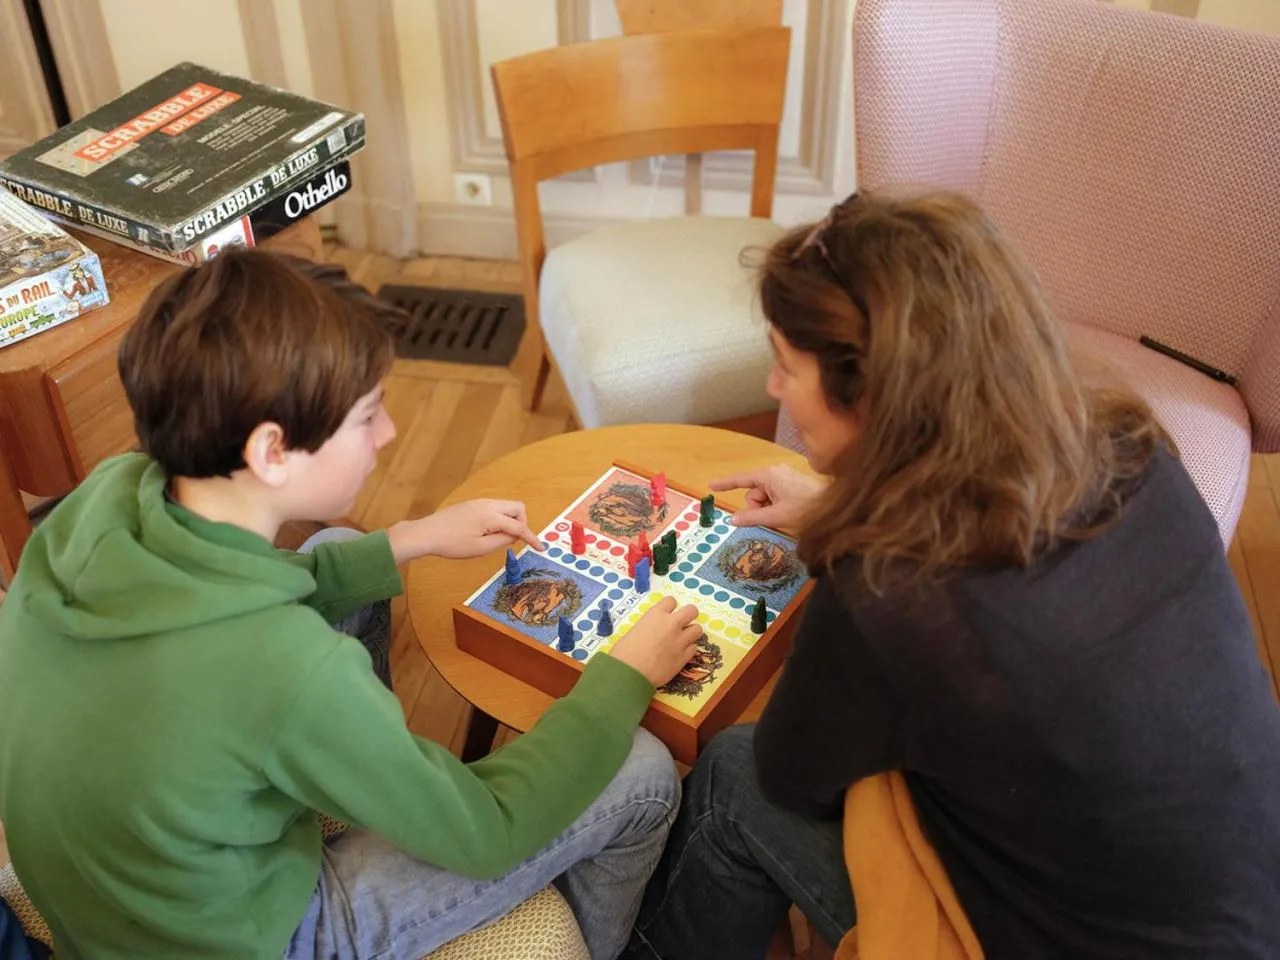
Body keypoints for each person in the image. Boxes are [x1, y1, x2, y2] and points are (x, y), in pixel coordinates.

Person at [625, 190, 1280, 958]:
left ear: (868, 396)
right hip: (1249, 910)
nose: (772, 390)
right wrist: (848, 504)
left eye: (784, 366)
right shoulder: (1131, 447)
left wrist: (854, 535)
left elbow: (795, 776)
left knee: (732, 776)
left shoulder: (887, 588)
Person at [0, 251, 704, 960]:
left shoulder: (103, 498)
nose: (388, 434)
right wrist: (623, 677)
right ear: (273, 450)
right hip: (245, 938)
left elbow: (231, 607)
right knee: (639, 769)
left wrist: (407, 539)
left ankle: (362, 773)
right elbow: (486, 831)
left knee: (341, 550)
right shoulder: (288, 666)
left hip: (114, 898)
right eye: (366, 416)